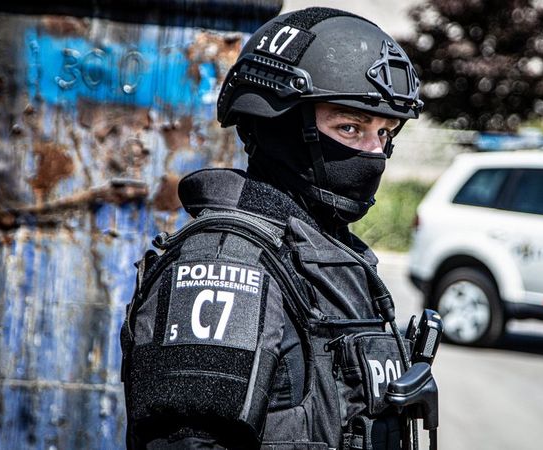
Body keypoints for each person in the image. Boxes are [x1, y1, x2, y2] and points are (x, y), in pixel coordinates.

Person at [120, 6, 433, 450]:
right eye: (350, 127)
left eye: (384, 133)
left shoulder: (322, 254)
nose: (374, 153)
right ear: (279, 125)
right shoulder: (226, 262)